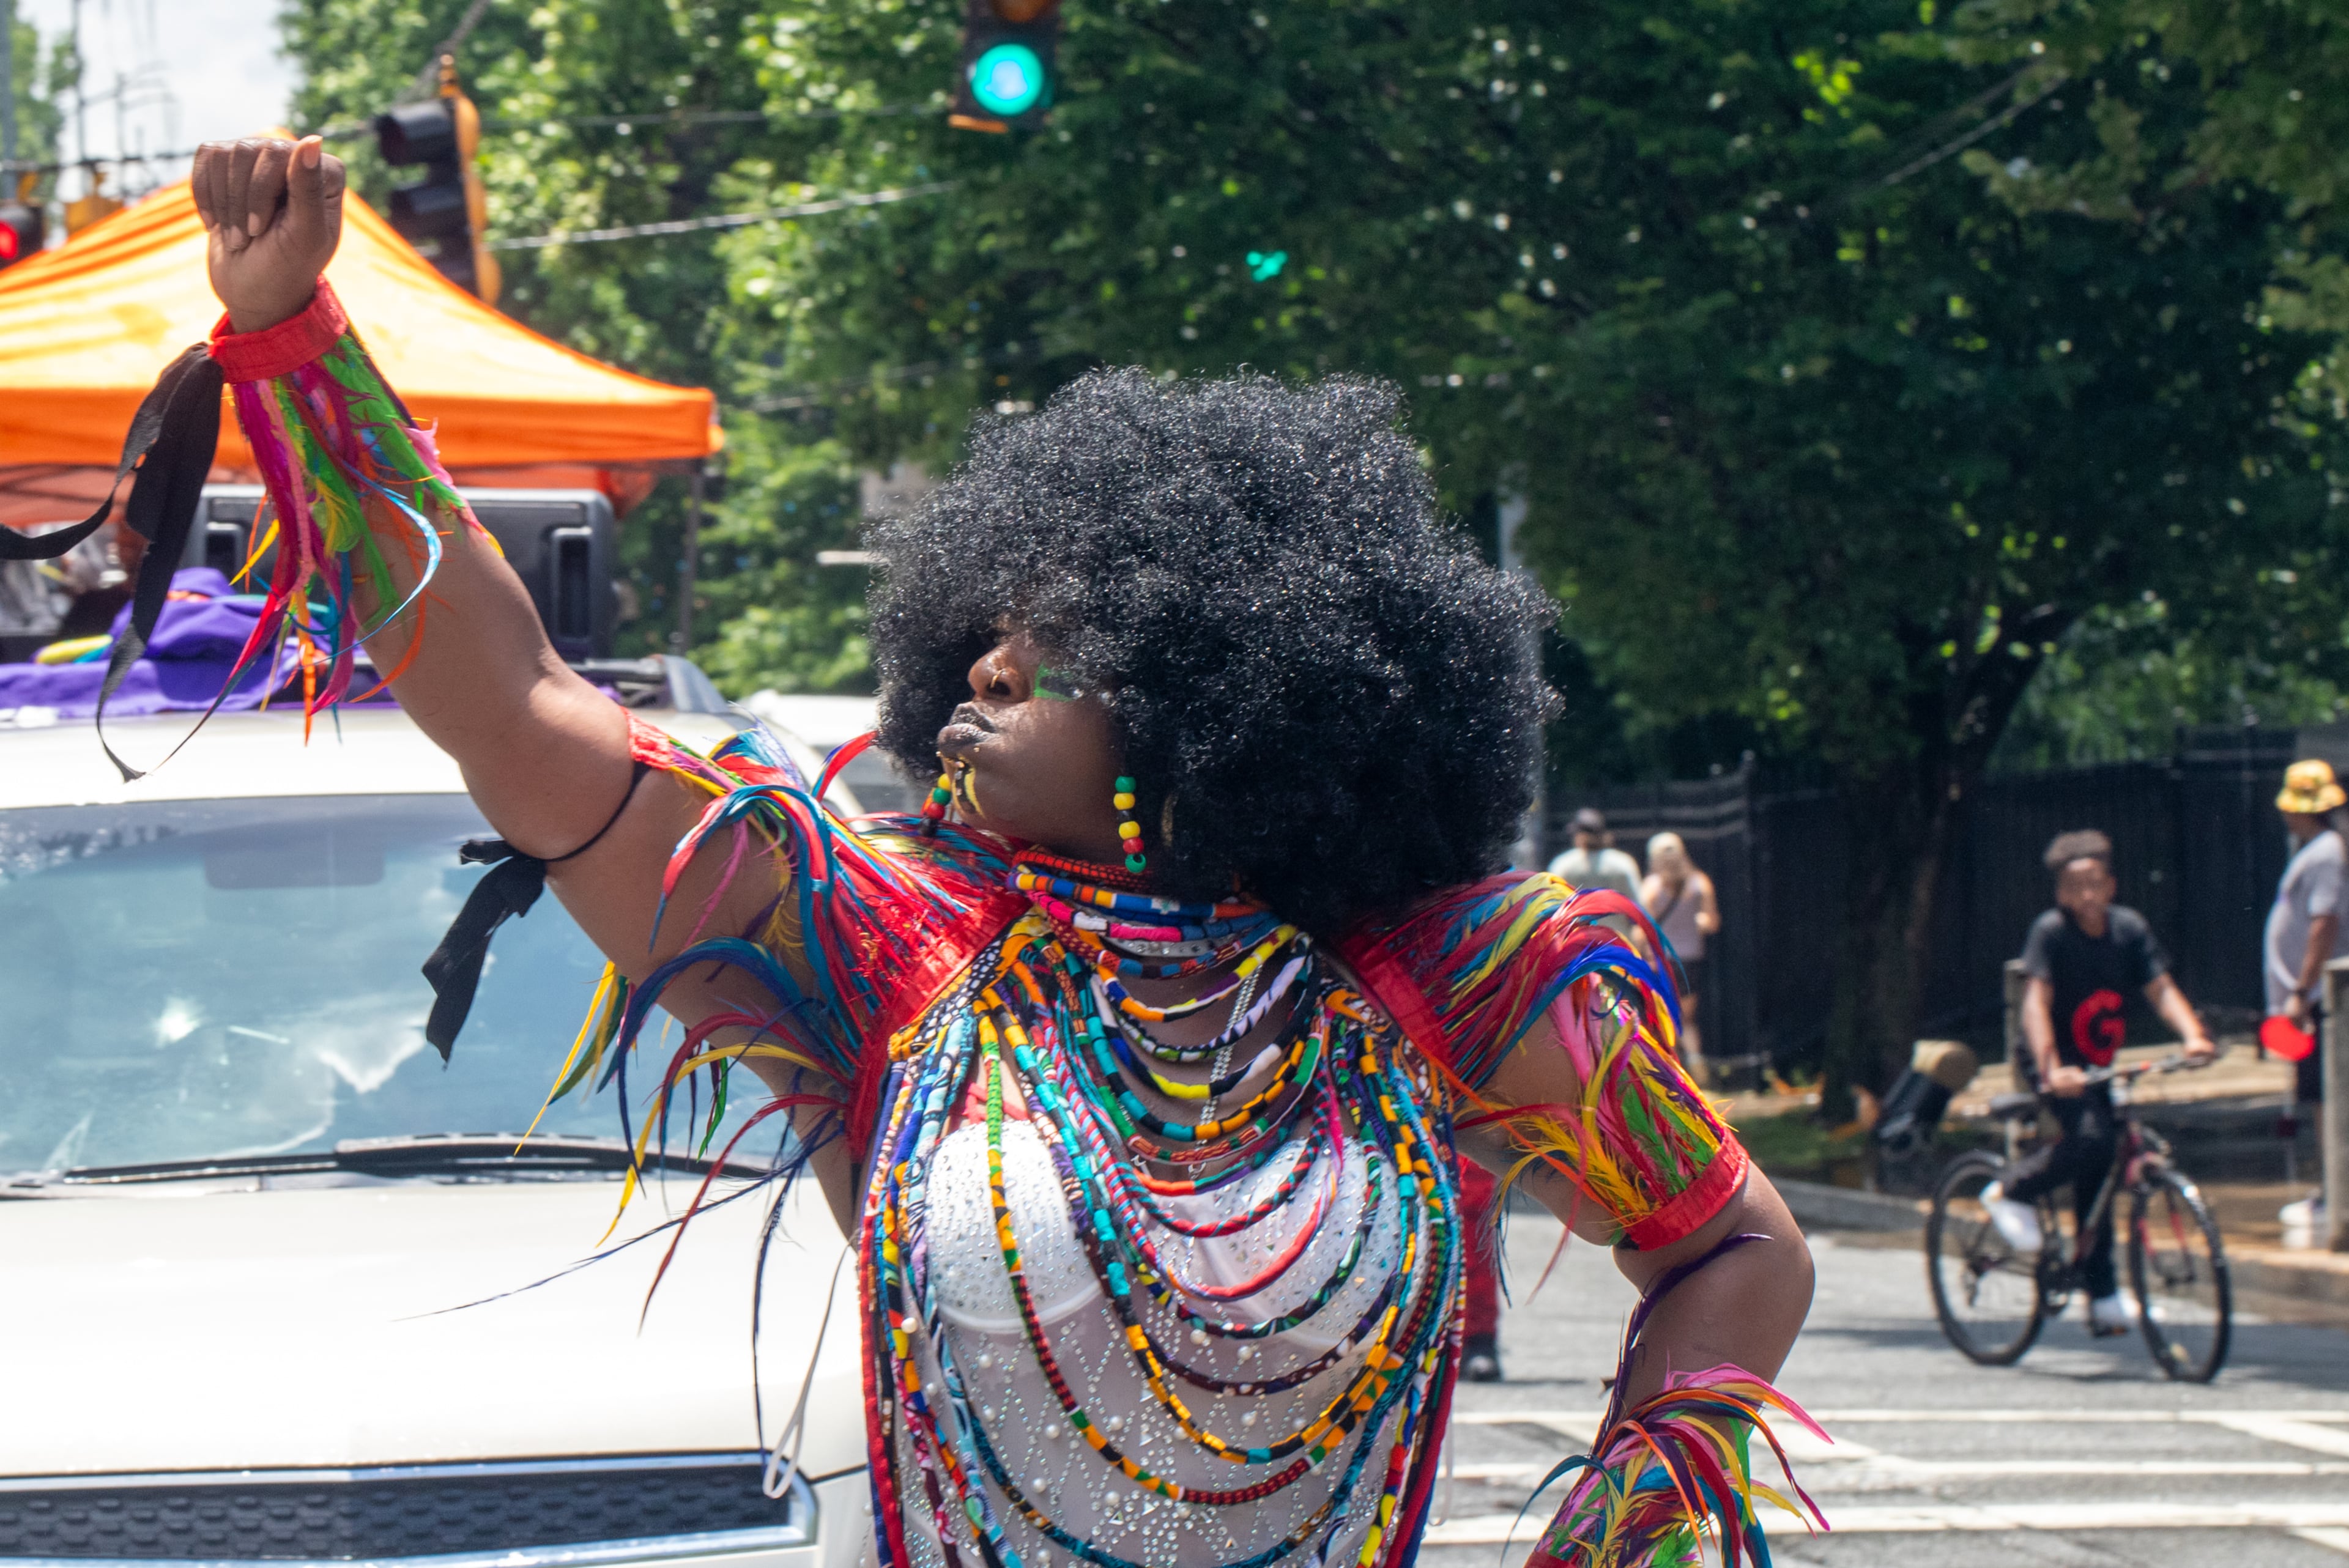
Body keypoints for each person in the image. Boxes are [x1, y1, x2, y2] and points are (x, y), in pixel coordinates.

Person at [174, 135, 1820, 1568]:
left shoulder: (1438, 974)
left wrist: (1621, 1520)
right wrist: (297, 337)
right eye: (988, 624)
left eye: (1060, 634)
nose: (988, 662)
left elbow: (1736, 1247)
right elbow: (522, 709)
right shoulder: (883, 943)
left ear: (1221, 684)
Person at [1984, 830, 2215, 1335]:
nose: (2086, 895)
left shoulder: (2129, 930)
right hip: (2052, 1062)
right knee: (2090, 1139)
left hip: (2099, 1063)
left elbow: (2160, 987)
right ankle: (2012, 1192)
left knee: (2104, 1169)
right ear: (2061, 894)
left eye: (2095, 884)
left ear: (2111, 885)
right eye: (2074, 887)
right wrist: (2050, 1069)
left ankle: (2104, 1294)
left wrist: (2194, 1035)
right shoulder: (2051, 933)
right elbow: (2035, 1002)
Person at [2266, 760, 2347, 1106]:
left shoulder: (2327, 853)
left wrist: (2301, 990)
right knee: (2317, 1095)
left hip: (2315, 998)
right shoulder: (2317, 850)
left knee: (2326, 1096)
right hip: (2310, 998)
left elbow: (2325, 922)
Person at [1642, 832, 1720, 1080]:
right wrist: (1699, 923)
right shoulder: (1700, 883)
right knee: (1687, 1020)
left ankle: (1672, 1072)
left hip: (1663, 961)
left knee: (1664, 1017)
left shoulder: (1652, 887)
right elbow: (1713, 922)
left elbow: (1645, 928)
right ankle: (1695, 1062)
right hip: (1691, 960)